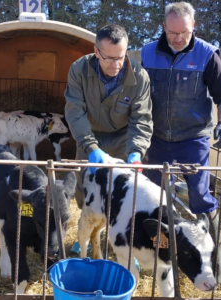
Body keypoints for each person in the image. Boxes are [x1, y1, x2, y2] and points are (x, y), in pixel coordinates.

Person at [141, 2, 221, 288]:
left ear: (194, 26)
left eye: (183, 32)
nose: (178, 38)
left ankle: (218, 267)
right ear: (164, 28)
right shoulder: (147, 53)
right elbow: (137, 95)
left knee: (201, 198)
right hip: (156, 139)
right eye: (172, 32)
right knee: (150, 197)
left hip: (193, 139)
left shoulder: (207, 54)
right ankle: (153, 256)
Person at [64, 24, 153, 210]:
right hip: (89, 136)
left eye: (121, 57)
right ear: (96, 51)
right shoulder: (78, 70)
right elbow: (75, 112)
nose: (116, 65)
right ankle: (87, 232)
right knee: (85, 190)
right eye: (109, 58)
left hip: (122, 140)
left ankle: (112, 233)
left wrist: (136, 151)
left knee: (118, 193)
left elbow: (141, 118)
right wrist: (90, 147)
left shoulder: (140, 76)